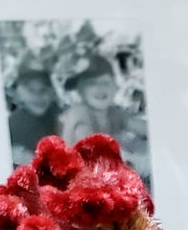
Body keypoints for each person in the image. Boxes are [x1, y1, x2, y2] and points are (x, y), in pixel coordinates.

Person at [57, 45, 150, 183]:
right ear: (81, 91)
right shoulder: (79, 113)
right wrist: (134, 162)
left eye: (105, 82)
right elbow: (93, 147)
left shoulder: (113, 112)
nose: (100, 88)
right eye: (92, 83)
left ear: (115, 88)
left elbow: (141, 126)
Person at [6, 65, 59, 165]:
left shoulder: (60, 116)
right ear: (18, 94)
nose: (38, 96)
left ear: (53, 93)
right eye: (30, 90)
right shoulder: (13, 125)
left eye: (43, 89)